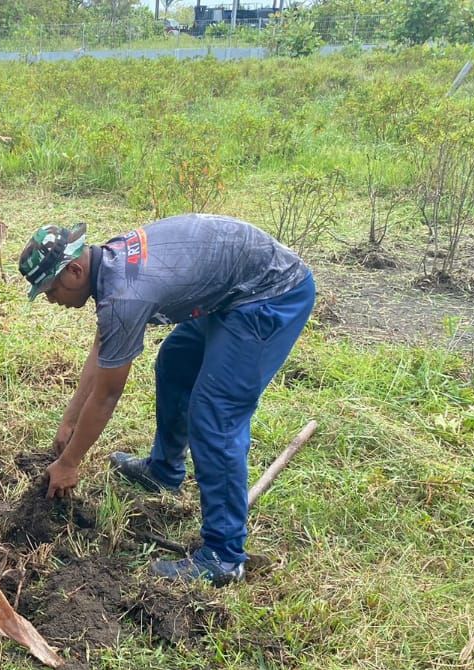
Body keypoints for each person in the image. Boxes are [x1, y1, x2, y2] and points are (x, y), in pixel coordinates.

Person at [18, 214, 316, 585]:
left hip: (270, 294)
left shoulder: (124, 292)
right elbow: (104, 344)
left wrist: (70, 462)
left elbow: (109, 393)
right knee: (175, 364)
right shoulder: (110, 263)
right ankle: (165, 471)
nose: (50, 300)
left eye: (50, 289)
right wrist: (69, 418)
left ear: (75, 272)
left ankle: (224, 556)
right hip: (232, 291)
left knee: (215, 415)